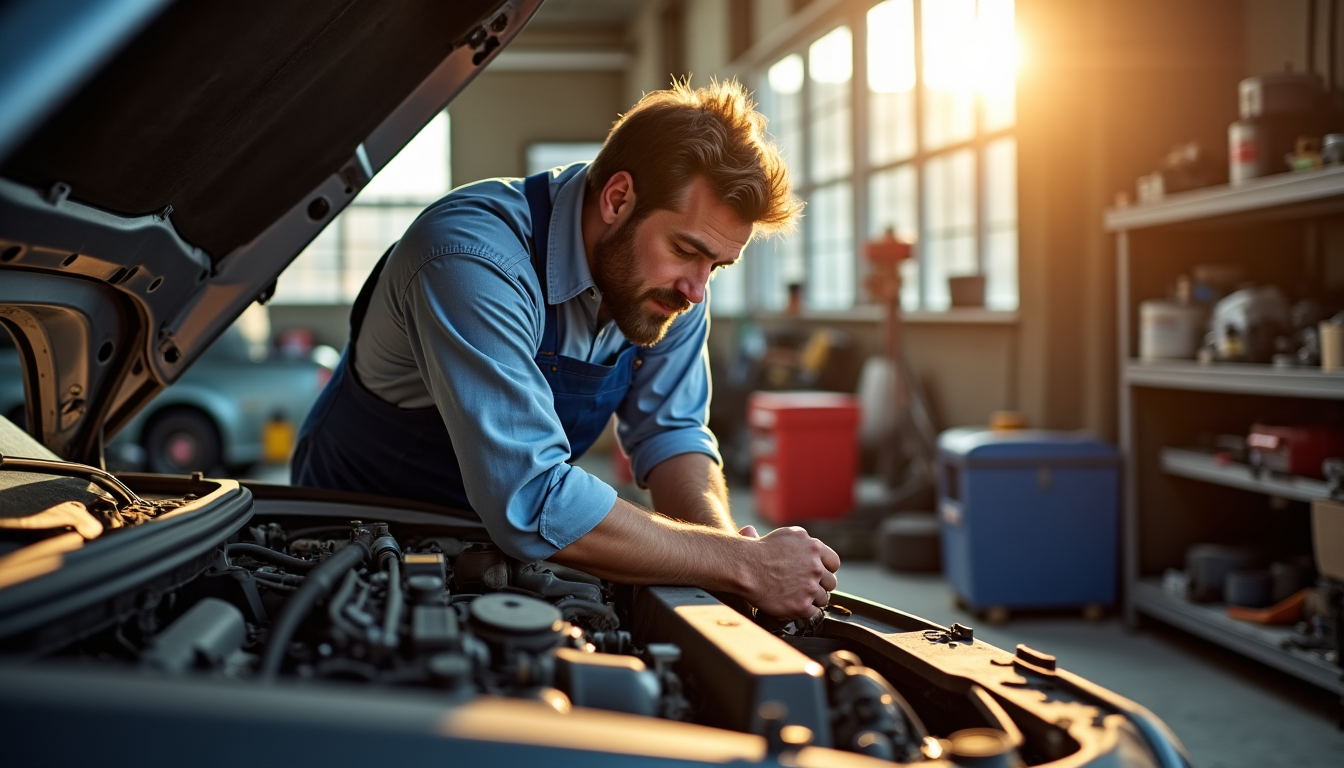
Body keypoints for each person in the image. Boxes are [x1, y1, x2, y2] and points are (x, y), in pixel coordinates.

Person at [293, 80, 839, 620]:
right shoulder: (470, 258)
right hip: (354, 537)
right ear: (618, 199)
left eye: (716, 266)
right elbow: (532, 498)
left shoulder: (671, 287)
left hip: (498, 546)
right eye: (685, 250)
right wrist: (740, 564)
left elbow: (671, 436)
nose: (696, 290)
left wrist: (727, 559)